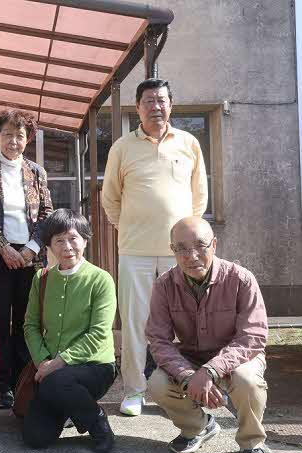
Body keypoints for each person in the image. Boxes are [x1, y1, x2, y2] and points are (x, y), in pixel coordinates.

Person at [101, 78, 208, 416]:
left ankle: (182, 388)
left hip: (181, 255)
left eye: (161, 100)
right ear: (138, 107)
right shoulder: (122, 147)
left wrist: (189, 242)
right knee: (136, 324)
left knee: (185, 323)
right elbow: (110, 198)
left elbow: (199, 196)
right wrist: (130, 227)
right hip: (135, 251)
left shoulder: (189, 143)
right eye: (148, 101)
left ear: (171, 105)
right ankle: (134, 391)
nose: (156, 106)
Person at [146, 217, 270, 453]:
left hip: (237, 356)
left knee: (247, 381)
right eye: (181, 248)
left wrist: (211, 370)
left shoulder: (241, 279)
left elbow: (253, 336)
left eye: (200, 246)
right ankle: (198, 427)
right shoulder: (164, 285)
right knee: (157, 383)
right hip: (192, 356)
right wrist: (188, 376)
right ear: (172, 250)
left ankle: (252, 443)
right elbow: (159, 340)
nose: (191, 256)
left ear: (214, 244)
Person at [0, 108, 53, 409]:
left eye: (19, 135)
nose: (13, 141)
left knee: (27, 321)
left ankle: (23, 381)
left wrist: (31, 248)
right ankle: (1, 384)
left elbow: (47, 214)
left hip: (30, 257)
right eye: (7, 135)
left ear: (27, 139)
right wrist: (4, 248)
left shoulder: (37, 172)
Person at [22, 209, 117, 453]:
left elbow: (98, 334)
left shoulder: (101, 279)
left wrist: (57, 364)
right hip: (51, 371)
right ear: (49, 246)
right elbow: (30, 325)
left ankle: (97, 422)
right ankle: (71, 408)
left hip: (95, 366)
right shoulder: (41, 278)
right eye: (59, 240)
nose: (67, 247)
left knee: (57, 382)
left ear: (85, 240)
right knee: (35, 437)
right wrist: (43, 362)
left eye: (73, 238)